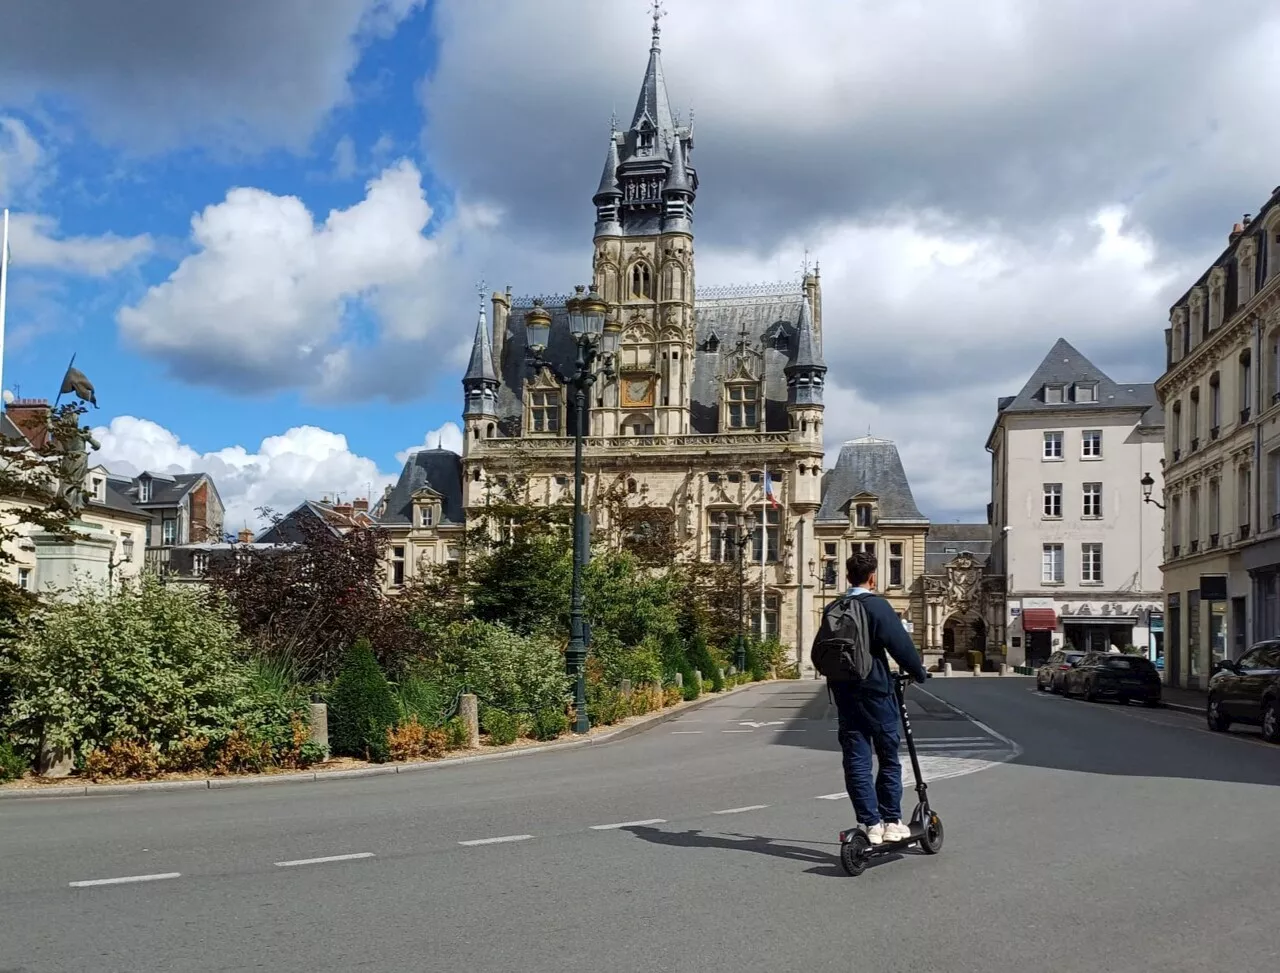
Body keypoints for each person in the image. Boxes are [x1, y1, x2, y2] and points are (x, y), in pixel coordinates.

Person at [817, 550, 928, 846]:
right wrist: (918, 672)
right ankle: (892, 821)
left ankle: (870, 823)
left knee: (856, 760)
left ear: (846, 576)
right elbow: (900, 645)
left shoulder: (834, 607)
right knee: (889, 756)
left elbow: (821, 652)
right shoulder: (877, 606)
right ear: (872, 577)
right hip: (876, 690)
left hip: (843, 692)